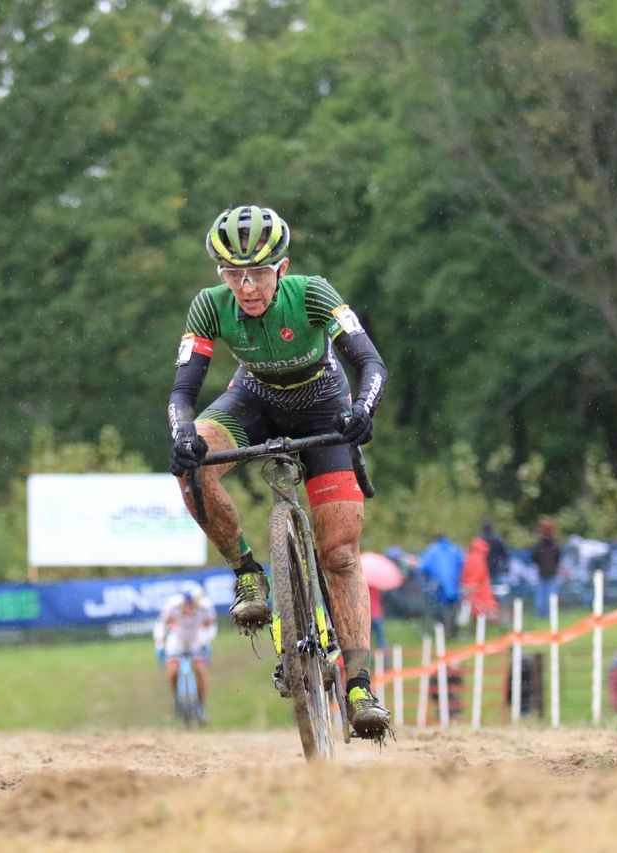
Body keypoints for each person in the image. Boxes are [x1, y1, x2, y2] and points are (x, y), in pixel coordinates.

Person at [166, 205, 391, 741]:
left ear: (282, 268)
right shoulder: (209, 307)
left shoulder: (312, 292)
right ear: (220, 275)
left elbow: (372, 364)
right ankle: (247, 572)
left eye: (259, 272)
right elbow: (182, 392)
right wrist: (182, 435)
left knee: (338, 553)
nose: (247, 286)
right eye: (233, 273)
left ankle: (358, 684)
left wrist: (364, 409)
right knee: (191, 467)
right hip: (254, 397)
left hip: (323, 401)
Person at [153, 584, 218, 723]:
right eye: (189, 604)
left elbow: (211, 625)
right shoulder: (172, 605)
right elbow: (161, 623)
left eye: (194, 605)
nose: (191, 608)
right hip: (177, 639)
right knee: (173, 671)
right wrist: (159, 645)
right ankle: (176, 700)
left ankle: (201, 707)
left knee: (200, 671)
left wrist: (207, 641)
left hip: (195, 639)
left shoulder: (205, 607)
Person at [419, 534, 464, 636]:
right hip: (453, 586)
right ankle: (451, 630)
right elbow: (462, 563)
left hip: (439, 586)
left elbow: (423, 567)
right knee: (452, 608)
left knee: (440, 608)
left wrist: (430, 576)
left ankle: (443, 631)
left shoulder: (432, 551)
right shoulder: (455, 549)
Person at [530, 520, 561, 618]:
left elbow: (534, 557)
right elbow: (557, 557)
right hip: (548, 574)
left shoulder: (539, 544)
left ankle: (544, 614)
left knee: (544, 597)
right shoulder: (554, 544)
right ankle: (547, 614)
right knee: (548, 597)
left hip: (545, 573)